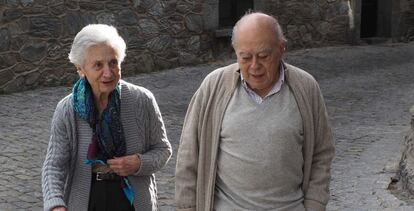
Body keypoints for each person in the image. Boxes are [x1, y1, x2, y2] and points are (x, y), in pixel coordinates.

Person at [175, 12, 335, 211]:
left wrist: (314, 205)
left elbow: (322, 153)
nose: (254, 66)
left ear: (281, 49)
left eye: (263, 56)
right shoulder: (213, 86)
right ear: (236, 53)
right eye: (245, 57)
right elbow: (189, 155)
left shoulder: (306, 87)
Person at [42, 24, 172, 211]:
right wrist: (55, 204)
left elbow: (163, 150)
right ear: (81, 69)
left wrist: (138, 163)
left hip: (132, 201)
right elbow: (54, 166)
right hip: (86, 201)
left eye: (113, 62)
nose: (108, 73)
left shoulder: (142, 100)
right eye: (98, 65)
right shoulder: (67, 109)